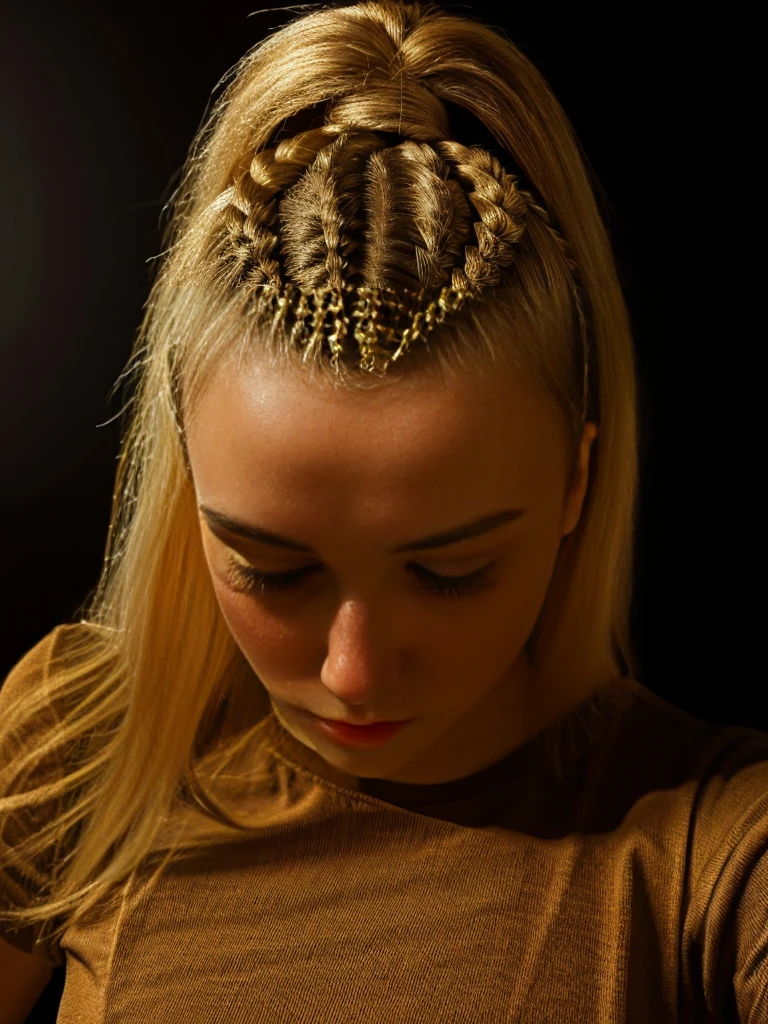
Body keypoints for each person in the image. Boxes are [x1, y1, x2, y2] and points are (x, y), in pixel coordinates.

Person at [1, 2, 765, 1021]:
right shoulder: (78, 740)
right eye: (272, 569)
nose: (352, 672)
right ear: (187, 475)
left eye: (451, 571)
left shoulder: (717, 847)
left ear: (580, 480)